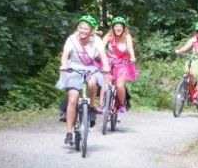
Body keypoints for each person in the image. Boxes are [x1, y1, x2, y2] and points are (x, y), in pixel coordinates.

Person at [56, 15, 111, 145]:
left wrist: (107, 68)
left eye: (86, 29)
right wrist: (64, 65)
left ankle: (90, 109)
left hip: (90, 68)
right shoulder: (71, 39)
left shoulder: (96, 41)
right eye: (80, 27)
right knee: (73, 98)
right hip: (74, 68)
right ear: (77, 28)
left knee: (92, 84)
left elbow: (103, 56)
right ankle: (69, 132)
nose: (82, 31)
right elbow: (65, 55)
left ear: (91, 31)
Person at [101, 16, 138, 114]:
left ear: (123, 28)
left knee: (119, 85)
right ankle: (101, 104)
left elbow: (130, 48)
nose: (118, 28)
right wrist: (96, 55)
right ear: (113, 27)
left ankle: (121, 104)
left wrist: (132, 57)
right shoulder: (108, 36)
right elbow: (100, 47)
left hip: (123, 63)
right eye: (116, 26)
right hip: (110, 62)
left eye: (120, 26)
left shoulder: (127, 36)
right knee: (105, 82)